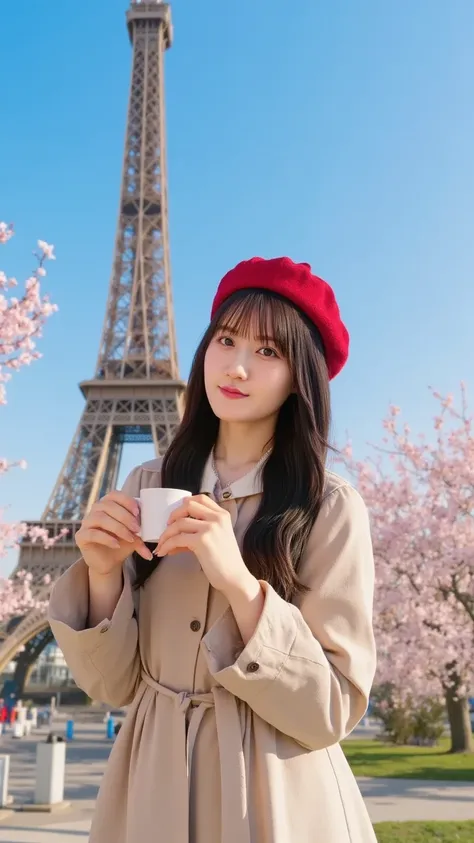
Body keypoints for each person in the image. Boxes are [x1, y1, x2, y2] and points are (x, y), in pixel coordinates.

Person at [49, 256, 377, 843]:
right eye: (226, 340)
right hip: (150, 785)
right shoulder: (147, 485)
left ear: (302, 377)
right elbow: (113, 687)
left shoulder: (329, 507)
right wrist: (101, 575)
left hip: (275, 797)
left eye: (269, 352)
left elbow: (332, 710)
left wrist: (240, 585)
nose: (238, 366)